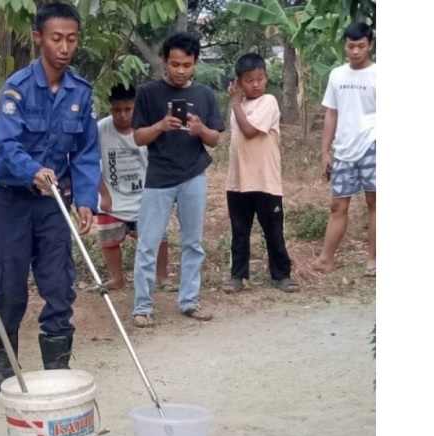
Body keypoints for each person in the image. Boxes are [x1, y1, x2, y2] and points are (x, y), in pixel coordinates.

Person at [0, 1, 100, 398]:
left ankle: (57, 367)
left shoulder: (80, 93)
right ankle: (4, 365)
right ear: (38, 38)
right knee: (5, 284)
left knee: (58, 283)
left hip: (53, 205)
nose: (65, 47)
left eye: (71, 39)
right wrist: (33, 169)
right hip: (12, 201)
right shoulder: (16, 88)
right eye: (56, 39)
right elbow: (6, 143)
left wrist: (85, 199)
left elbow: (85, 152)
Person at [130, 31, 225, 328]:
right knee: (148, 243)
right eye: (175, 64)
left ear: (195, 63)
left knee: (193, 243)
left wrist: (200, 130)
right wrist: (160, 125)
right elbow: (138, 136)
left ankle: (189, 301)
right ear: (164, 62)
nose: (180, 70)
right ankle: (142, 306)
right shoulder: (147, 93)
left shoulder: (204, 95)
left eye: (187, 64)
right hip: (158, 177)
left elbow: (215, 140)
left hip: (193, 176)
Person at [223, 53, 300, 294]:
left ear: (266, 78)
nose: (255, 84)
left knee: (273, 230)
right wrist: (236, 104)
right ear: (238, 83)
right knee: (239, 231)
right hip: (238, 181)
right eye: (249, 80)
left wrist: (235, 103)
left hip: (265, 181)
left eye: (260, 78)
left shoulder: (269, 102)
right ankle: (237, 276)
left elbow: (248, 131)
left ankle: (282, 275)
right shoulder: (237, 108)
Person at [310, 22, 376, 277]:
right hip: (344, 149)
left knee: (375, 202)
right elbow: (331, 114)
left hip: (373, 145)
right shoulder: (337, 75)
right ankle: (326, 258)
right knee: (338, 206)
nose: (356, 51)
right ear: (345, 46)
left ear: (369, 45)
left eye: (361, 46)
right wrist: (325, 151)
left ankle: (373, 260)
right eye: (351, 46)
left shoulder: (379, 74)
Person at [94, 83, 174, 292]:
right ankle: (117, 278)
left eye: (127, 110)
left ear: (136, 107)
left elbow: (161, 160)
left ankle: (163, 277)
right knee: (108, 238)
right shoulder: (101, 129)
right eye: (117, 110)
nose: (122, 115)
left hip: (145, 195)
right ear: (110, 108)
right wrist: (103, 194)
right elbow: (90, 164)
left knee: (158, 237)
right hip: (113, 196)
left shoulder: (147, 128)